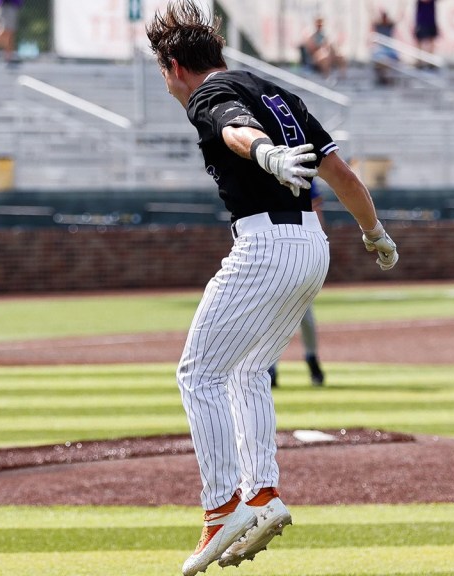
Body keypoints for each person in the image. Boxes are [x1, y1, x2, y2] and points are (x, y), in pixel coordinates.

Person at [145, 2, 398, 574]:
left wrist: (265, 153)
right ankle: (262, 494)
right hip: (313, 247)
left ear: (175, 66)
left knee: (197, 372)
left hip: (266, 247)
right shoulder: (274, 89)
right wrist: (375, 233)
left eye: (163, 74)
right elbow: (344, 175)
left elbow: (236, 130)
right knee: (247, 370)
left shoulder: (209, 94)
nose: (166, 85)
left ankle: (222, 508)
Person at [269, 181, 327, 388]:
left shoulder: (302, 173)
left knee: (305, 316)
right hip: (271, 248)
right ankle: (270, 366)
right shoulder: (259, 171)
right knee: (271, 314)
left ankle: (312, 360)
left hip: (300, 248)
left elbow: (315, 205)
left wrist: (319, 240)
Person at [371, 10, 400, 85]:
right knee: (379, 60)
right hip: (381, 49)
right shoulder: (378, 26)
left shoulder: (390, 25)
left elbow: (399, 18)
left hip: (389, 48)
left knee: (389, 61)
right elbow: (371, 17)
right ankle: (381, 77)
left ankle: (388, 78)